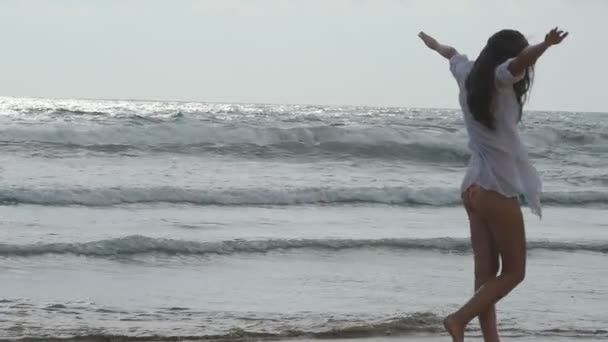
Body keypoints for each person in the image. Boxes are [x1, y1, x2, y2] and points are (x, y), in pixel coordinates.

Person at [417, 28, 568, 342]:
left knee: (485, 275)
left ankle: (491, 339)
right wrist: (545, 45)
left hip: (472, 187)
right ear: (508, 57)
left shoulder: (468, 73)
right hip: (495, 186)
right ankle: (458, 319)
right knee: (515, 272)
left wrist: (434, 45)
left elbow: (451, 51)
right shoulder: (501, 79)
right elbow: (521, 62)